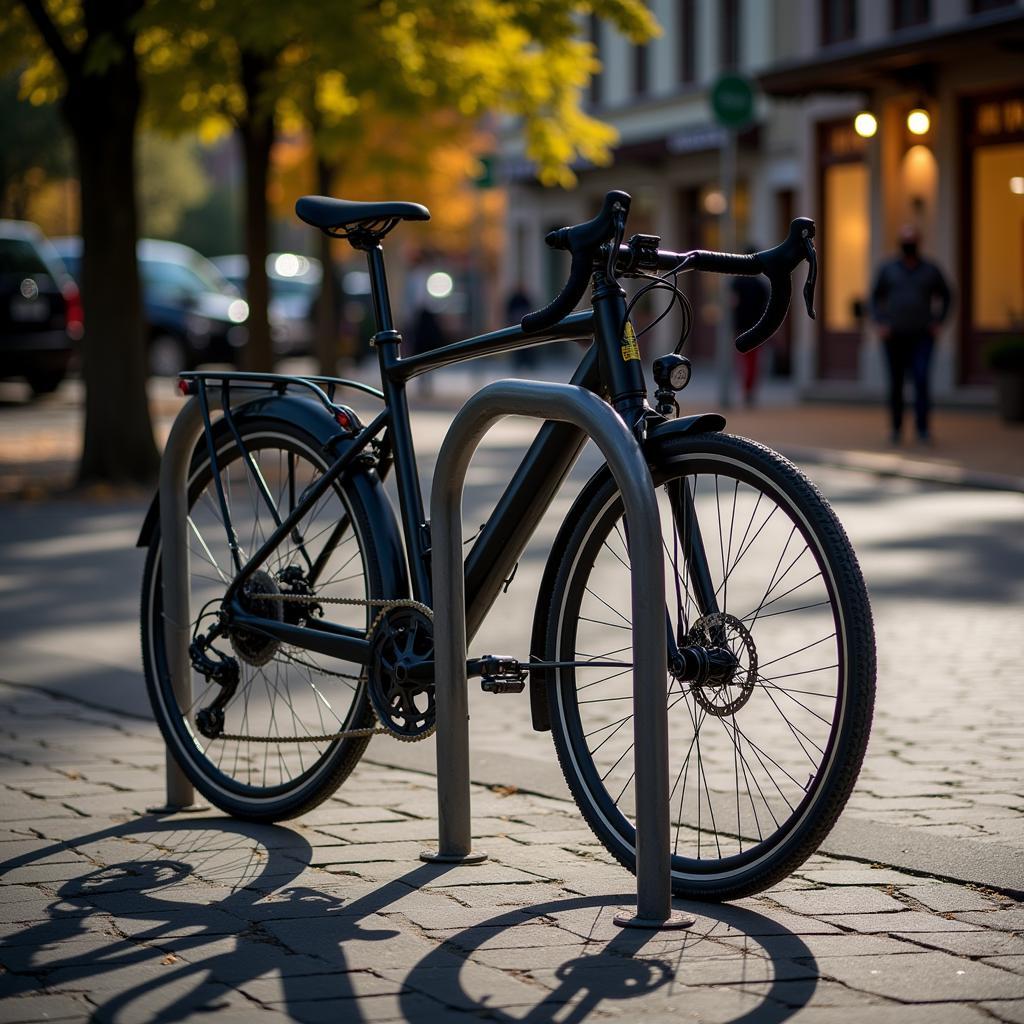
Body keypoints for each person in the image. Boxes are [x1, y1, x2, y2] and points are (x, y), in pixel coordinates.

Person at [870, 226, 952, 444]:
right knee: (896, 384)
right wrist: (880, 323)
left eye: (912, 241)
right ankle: (896, 429)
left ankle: (923, 429)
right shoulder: (888, 269)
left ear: (919, 243)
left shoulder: (930, 270)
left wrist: (938, 322)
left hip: (922, 337)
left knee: (921, 380)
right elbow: (875, 298)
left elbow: (947, 296)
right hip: (894, 337)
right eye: (905, 240)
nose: (909, 245)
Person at [731, 260, 769, 407]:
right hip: (757, 327)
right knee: (753, 362)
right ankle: (749, 390)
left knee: (742, 361)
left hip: (740, 327)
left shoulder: (737, 282)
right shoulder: (760, 285)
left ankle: (745, 389)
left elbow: (732, 302)